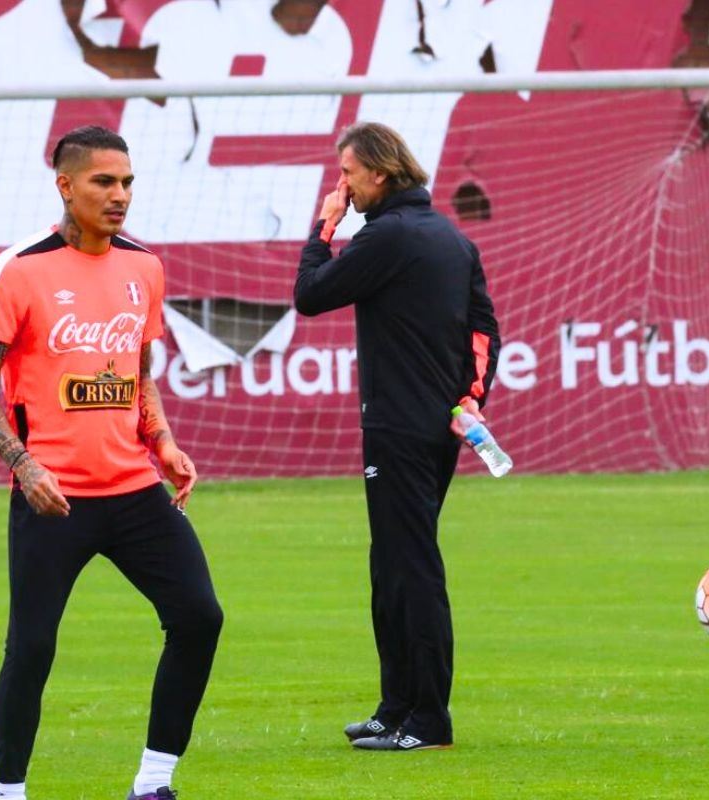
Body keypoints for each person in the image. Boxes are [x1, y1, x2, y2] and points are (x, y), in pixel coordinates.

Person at [0, 125, 224, 800]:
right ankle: (9, 793)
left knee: (199, 617)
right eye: (104, 182)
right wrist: (24, 465)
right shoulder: (19, 269)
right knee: (33, 649)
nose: (120, 195)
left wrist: (162, 441)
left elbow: (138, 374)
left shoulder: (143, 267)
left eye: (128, 181)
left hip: (134, 490)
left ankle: (153, 782)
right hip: (55, 499)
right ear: (66, 185)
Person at [294, 121, 501, 751]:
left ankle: (429, 721)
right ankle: (396, 708)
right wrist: (471, 397)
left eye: (349, 173)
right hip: (434, 428)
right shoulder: (449, 237)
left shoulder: (386, 237)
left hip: (397, 430)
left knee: (409, 571)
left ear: (379, 173)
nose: (343, 186)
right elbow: (485, 330)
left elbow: (309, 294)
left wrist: (323, 227)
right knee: (391, 567)